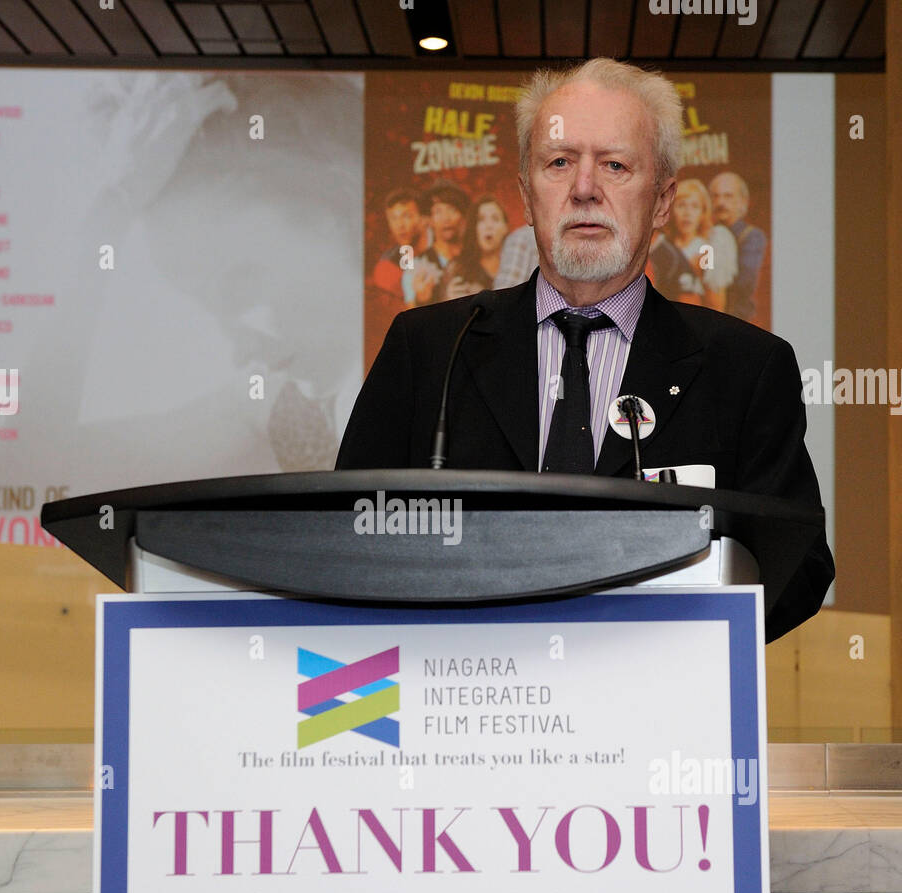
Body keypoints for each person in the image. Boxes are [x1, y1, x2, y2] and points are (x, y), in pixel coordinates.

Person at [336, 58, 834, 641]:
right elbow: (348, 535)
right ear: (527, 194)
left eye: (616, 165)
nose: (584, 189)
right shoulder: (429, 349)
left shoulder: (746, 368)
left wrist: (685, 646)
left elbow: (798, 565)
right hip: (464, 696)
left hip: (656, 708)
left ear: (664, 201)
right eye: (559, 162)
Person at [668, 178, 737, 312]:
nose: (687, 213)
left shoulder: (708, 248)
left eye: (694, 206)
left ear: (702, 213)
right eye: (681, 205)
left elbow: (717, 306)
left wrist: (700, 272)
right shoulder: (664, 246)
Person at [708, 171, 767, 323]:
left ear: (743, 201)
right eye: (715, 196)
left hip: (740, 321)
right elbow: (704, 269)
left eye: (728, 196)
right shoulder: (707, 237)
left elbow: (745, 283)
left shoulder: (752, 237)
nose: (720, 202)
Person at [409, 181, 470, 307]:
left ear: (463, 216)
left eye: (452, 210)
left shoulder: (476, 259)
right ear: (429, 220)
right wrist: (421, 300)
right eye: (438, 212)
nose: (446, 218)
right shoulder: (416, 267)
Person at [371, 188, 431, 306]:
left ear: (424, 219)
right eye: (394, 218)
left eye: (407, 216)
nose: (400, 225)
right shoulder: (387, 266)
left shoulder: (445, 247)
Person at [442, 195, 510, 297]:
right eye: (481, 220)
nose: (488, 226)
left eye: (495, 219)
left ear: (505, 228)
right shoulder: (457, 268)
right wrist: (448, 300)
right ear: (474, 228)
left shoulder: (517, 264)